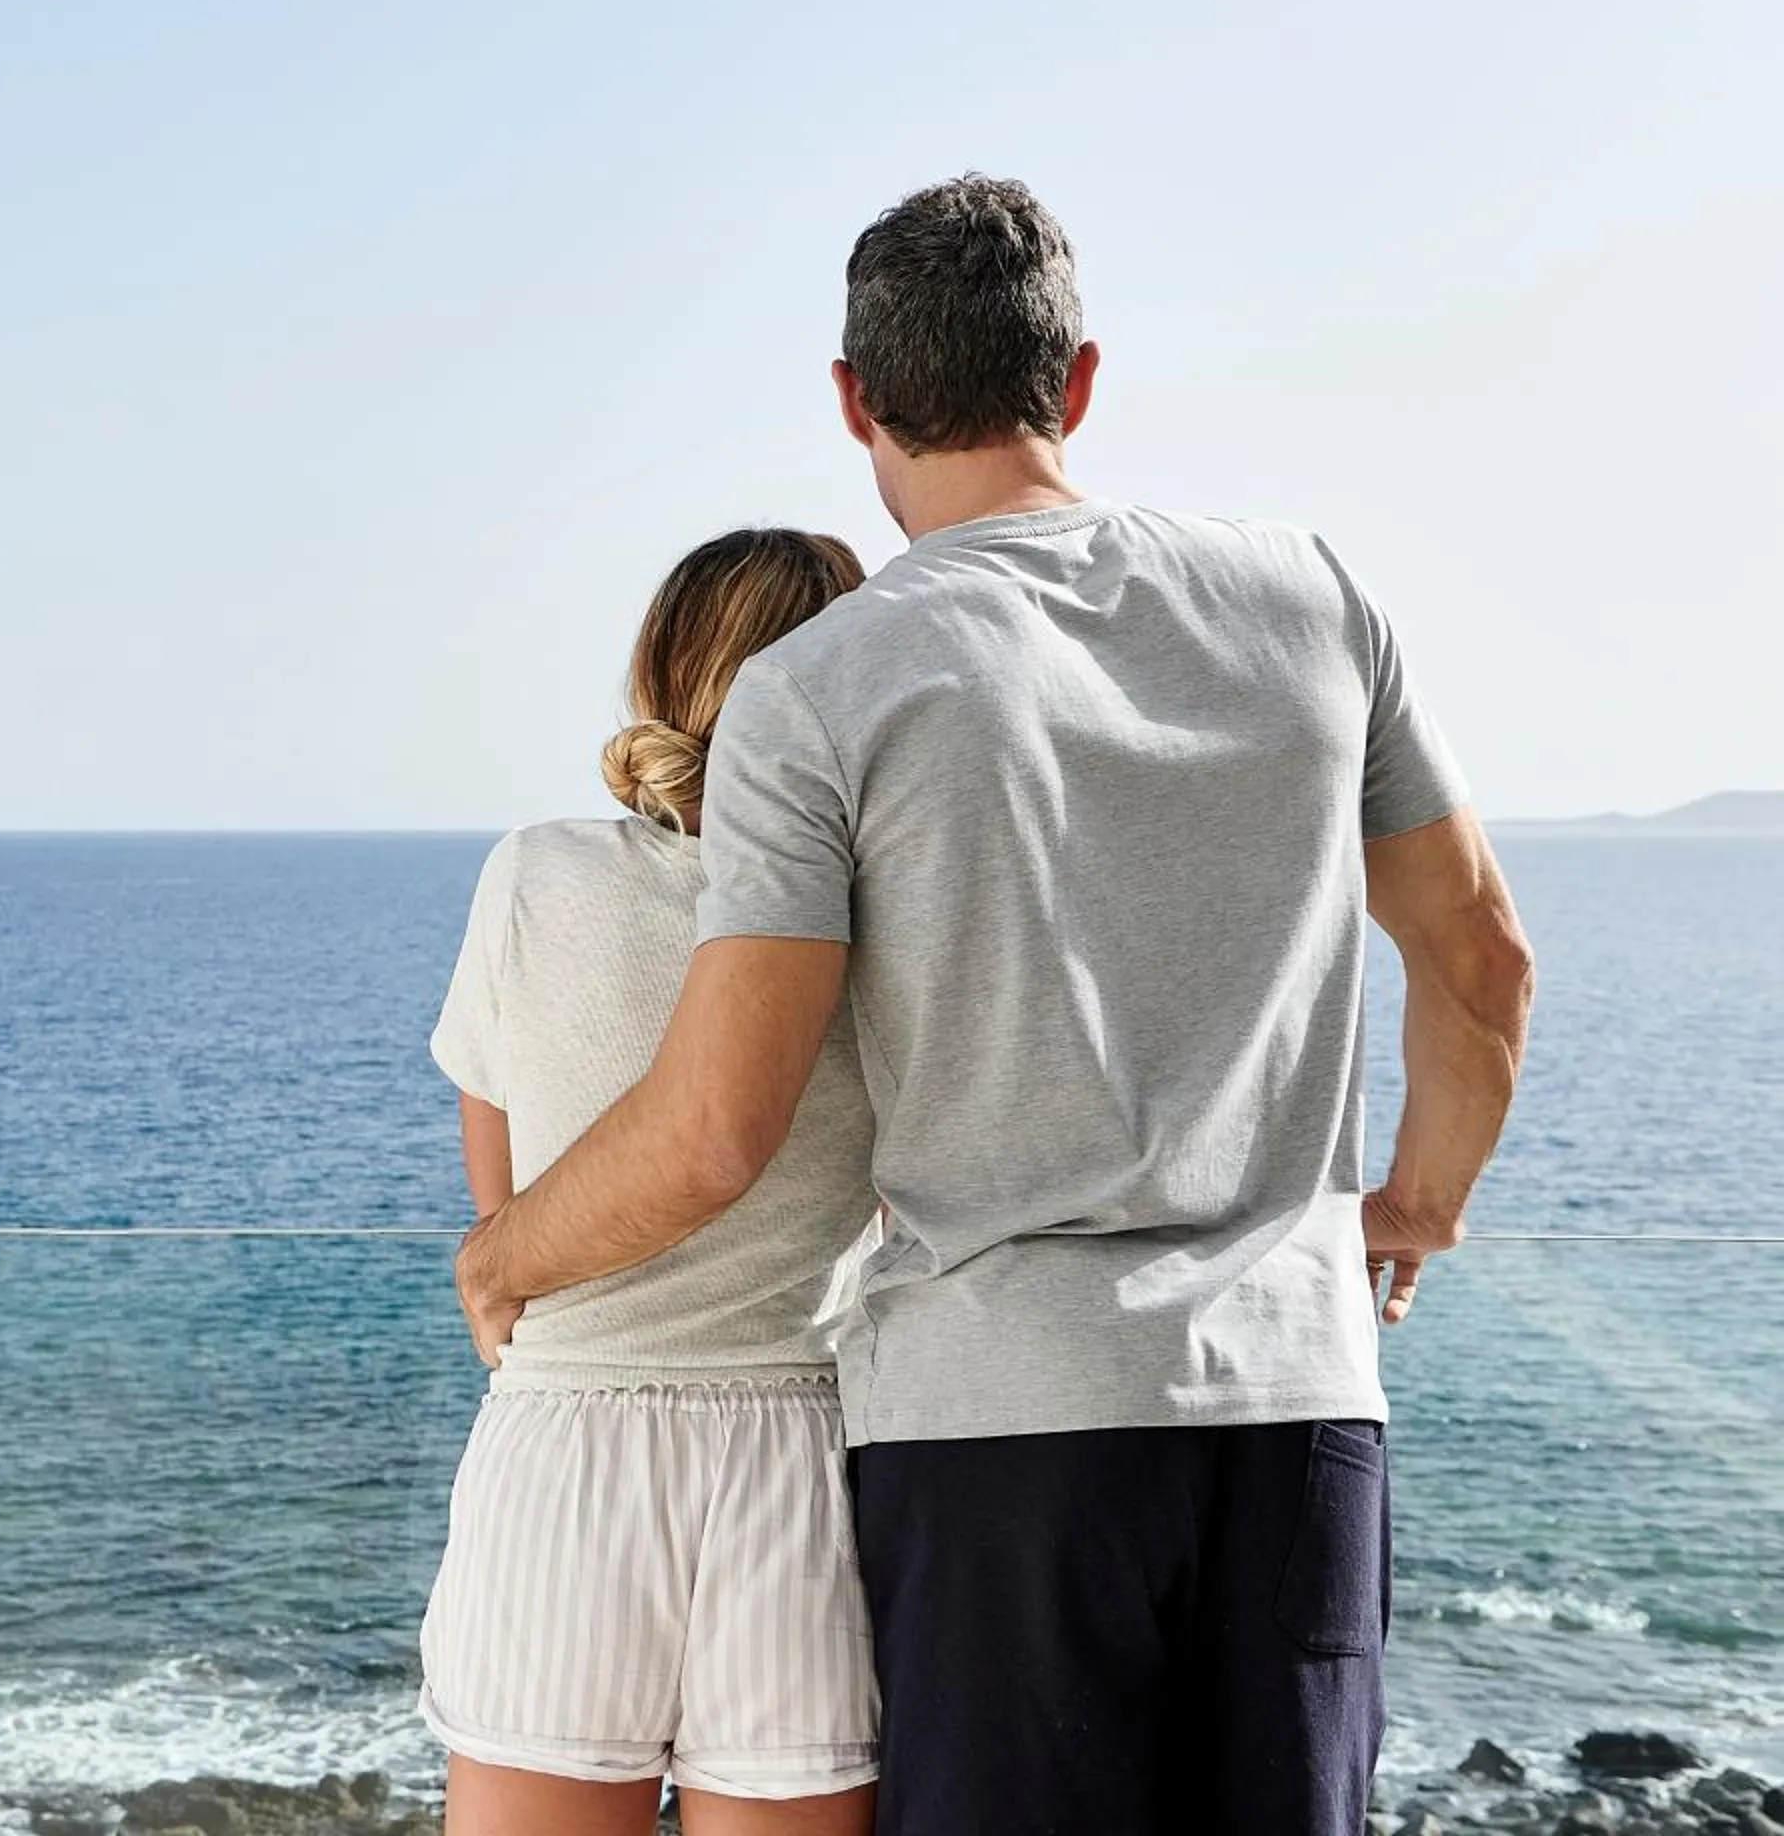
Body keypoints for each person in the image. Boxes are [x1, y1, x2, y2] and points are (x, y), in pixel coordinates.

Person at [451, 176, 1536, 1836]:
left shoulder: (826, 686)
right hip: (1298, 1396)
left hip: (1000, 1437)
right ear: (1079, 381)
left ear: (854, 402)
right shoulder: (1315, 598)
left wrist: (504, 1254)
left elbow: (720, 1125)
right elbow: (1482, 961)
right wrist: (1416, 1210)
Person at [422, 529, 885, 1836]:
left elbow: (508, 1209)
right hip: (802, 1463)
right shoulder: (876, 908)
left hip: (564, 1449)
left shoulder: (535, 873)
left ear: (660, 672)